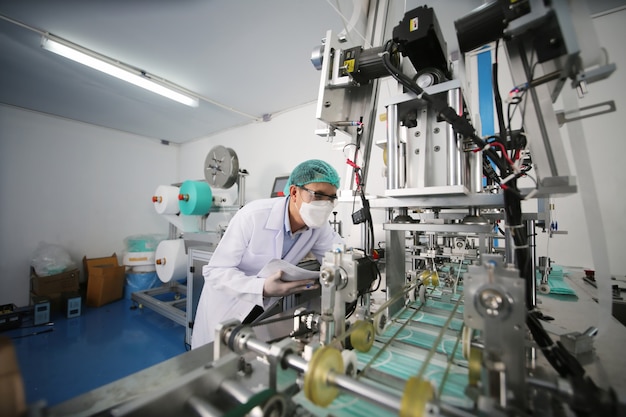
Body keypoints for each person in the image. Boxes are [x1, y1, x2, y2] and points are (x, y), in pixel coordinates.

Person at [191, 159, 343, 349]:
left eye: (331, 198)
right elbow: (215, 271)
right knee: (215, 362)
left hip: (263, 310)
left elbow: (339, 257)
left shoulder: (318, 227)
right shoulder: (253, 216)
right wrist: (261, 287)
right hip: (228, 305)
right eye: (319, 195)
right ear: (295, 192)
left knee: (249, 361)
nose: (325, 204)